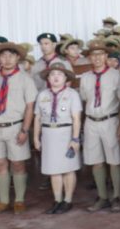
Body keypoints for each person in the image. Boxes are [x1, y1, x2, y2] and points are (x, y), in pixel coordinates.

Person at [0, 41, 37, 214]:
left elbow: (30, 107)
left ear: (17, 58)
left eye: (11, 55)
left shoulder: (25, 79)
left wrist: (24, 130)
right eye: (3, 55)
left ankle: (19, 200)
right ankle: (3, 201)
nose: (7, 59)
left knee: (18, 164)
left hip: (16, 127)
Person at [79, 39, 120, 213]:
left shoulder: (116, 76)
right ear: (89, 58)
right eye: (93, 55)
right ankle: (102, 196)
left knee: (114, 159)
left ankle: (116, 196)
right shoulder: (85, 77)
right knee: (95, 161)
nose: (97, 58)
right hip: (91, 121)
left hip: (110, 120)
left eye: (101, 54)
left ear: (106, 56)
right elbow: (85, 99)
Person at [32, 62, 82, 214]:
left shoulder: (72, 94)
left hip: (66, 133)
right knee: (54, 170)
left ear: (66, 77)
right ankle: (57, 200)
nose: (55, 77)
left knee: (68, 169)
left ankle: (67, 200)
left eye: (59, 74)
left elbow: (76, 118)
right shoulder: (42, 95)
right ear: (48, 78)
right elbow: (37, 118)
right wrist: (36, 137)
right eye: (52, 74)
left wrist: (75, 139)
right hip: (48, 134)